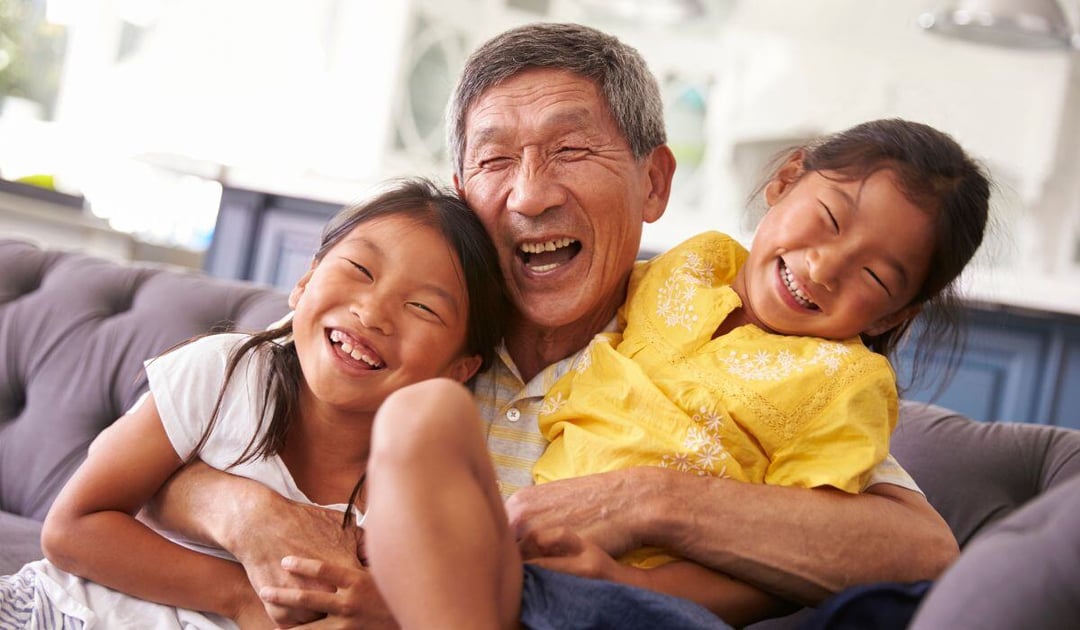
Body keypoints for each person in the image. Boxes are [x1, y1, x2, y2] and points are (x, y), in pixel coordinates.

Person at [146, 23, 963, 627]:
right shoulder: (399, 324)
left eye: (572, 151)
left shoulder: (714, 338)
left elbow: (917, 552)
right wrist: (244, 512)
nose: (531, 194)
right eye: (496, 161)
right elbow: (188, 432)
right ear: (460, 190)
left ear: (653, 182)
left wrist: (649, 502)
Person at [272, 118, 987, 629]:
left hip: (635, 601)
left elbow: (841, 564)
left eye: (873, 272)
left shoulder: (843, 383)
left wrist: (630, 556)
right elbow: (211, 402)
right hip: (516, 573)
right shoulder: (686, 272)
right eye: (828, 220)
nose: (825, 265)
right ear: (786, 180)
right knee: (418, 414)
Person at [0, 178, 507, 628]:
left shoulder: (425, 493)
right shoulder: (224, 373)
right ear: (305, 281)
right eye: (359, 269)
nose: (371, 313)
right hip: (64, 611)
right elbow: (71, 527)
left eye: (422, 307)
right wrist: (239, 596)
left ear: (459, 370)